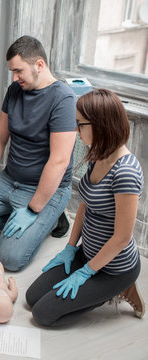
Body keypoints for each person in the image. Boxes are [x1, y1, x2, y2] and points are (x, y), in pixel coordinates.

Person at [0, 35, 77, 271]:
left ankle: (48, 217)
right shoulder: (15, 90)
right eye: (12, 71)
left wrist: (32, 210)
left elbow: (59, 162)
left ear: (39, 65)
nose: (14, 77)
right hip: (9, 179)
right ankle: (28, 217)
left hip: (43, 189)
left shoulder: (63, 99)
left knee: (10, 259)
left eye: (19, 71)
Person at [26, 89, 144, 326]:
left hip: (114, 268)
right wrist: (70, 247)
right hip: (86, 254)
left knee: (43, 315)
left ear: (99, 125)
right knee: (32, 298)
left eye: (80, 125)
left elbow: (122, 238)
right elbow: (85, 205)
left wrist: (87, 272)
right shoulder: (98, 154)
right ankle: (92, 279)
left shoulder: (126, 172)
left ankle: (120, 289)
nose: (76, 131)